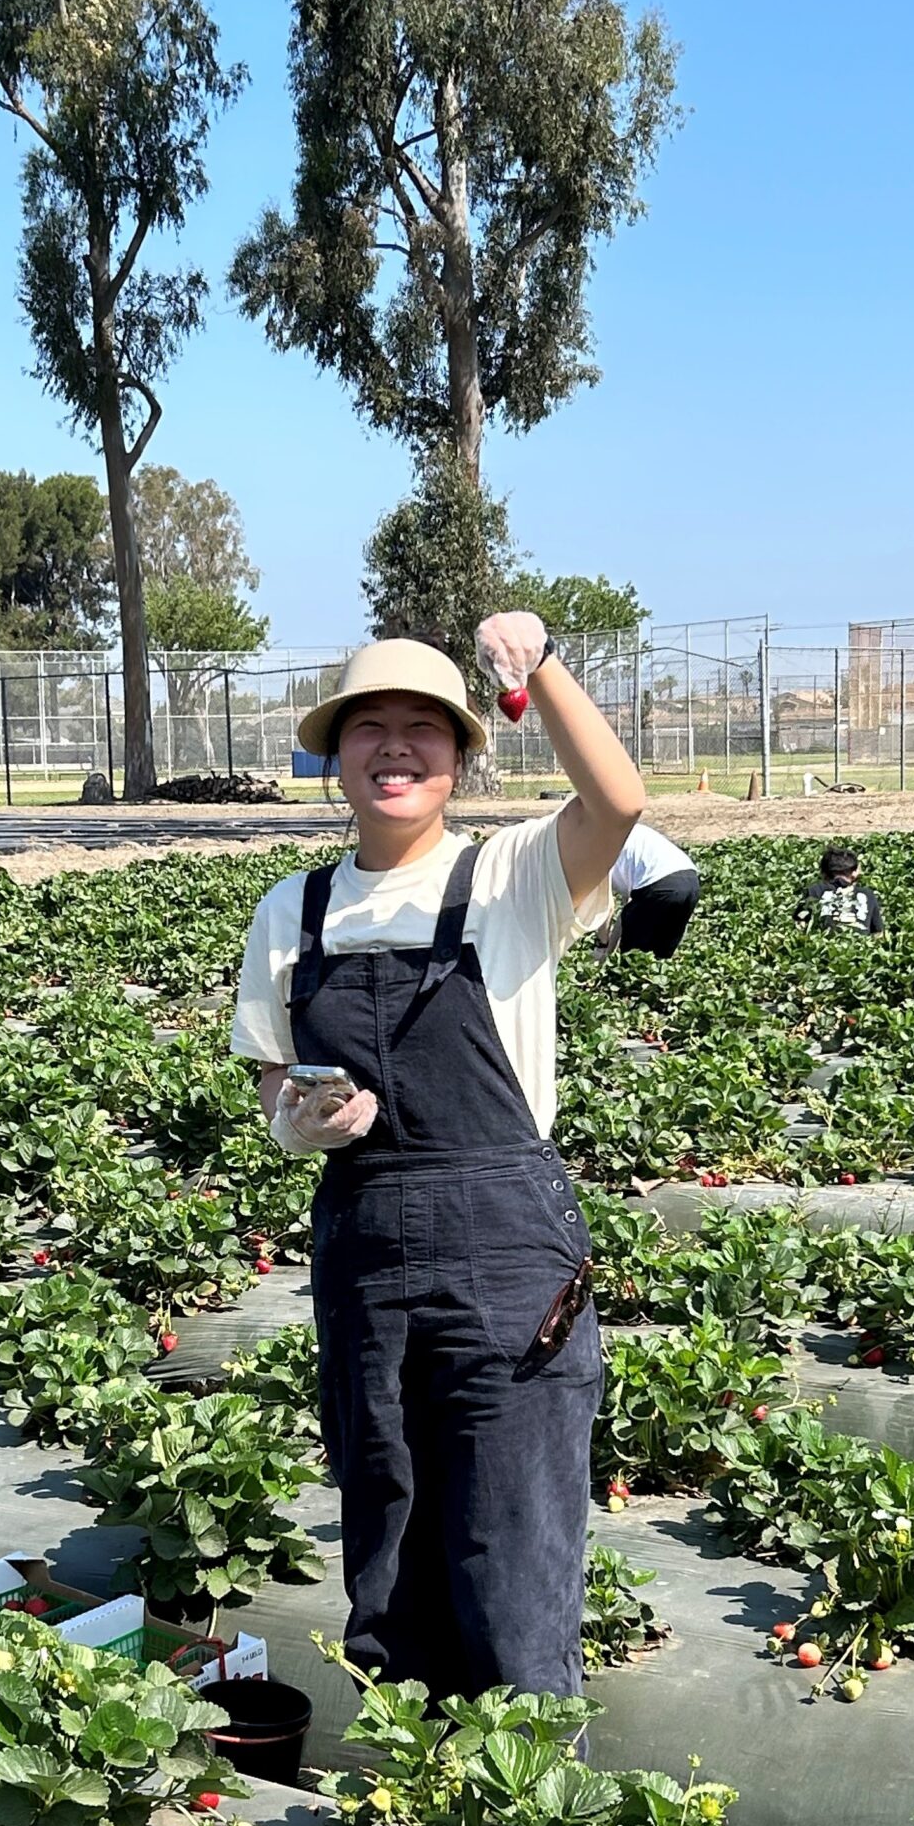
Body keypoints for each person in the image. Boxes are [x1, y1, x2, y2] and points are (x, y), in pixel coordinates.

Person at [231, 620, 645, 1702]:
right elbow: (271, 1074)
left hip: (504, 1248)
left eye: (424, 730)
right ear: (337, 756)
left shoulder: (511, 877)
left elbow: (619, 802)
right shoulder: (296, 910)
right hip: (364, 1244)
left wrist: (538, 665)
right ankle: (411, 1808)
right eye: (370, 729)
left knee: (514, 1553)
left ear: (460, 757)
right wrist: (298, 1119)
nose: (396, 749)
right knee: (388, 1528)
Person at [604, 822, 699, 958]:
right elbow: (626, 911)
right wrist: (609, 951)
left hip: (659, 886)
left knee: (634, 959)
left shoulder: (601, 852)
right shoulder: (629, 833)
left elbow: (606, 908)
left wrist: (602, 945)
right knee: (661, 956)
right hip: (691, 883)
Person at [797, 844, 886, 937]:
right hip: (859, 947)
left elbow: (800, 924)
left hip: (825, 944)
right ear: (854, 873)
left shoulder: (814, 891)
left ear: (823, 872)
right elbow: (878, 933)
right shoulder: (867, 894)